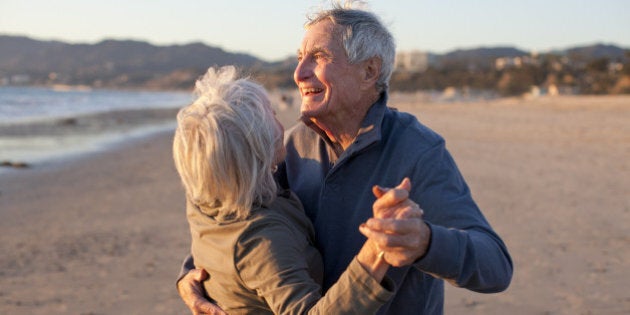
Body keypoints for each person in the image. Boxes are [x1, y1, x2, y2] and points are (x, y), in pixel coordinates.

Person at [178, 2, 513, 314]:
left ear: (369, 71)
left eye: (318, 56)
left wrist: (425, 241)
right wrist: (190, 275)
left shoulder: (417, 151)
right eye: (299, 57)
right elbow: (232, 215)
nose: (299, 73)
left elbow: (495, 266)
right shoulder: (288, 146)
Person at [173, 65, 402, 314]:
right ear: (257, 150)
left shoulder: (205, 198)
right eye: (271, 116)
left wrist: (186, 276)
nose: (282, 125)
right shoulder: (262, 243)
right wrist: (374, 256)